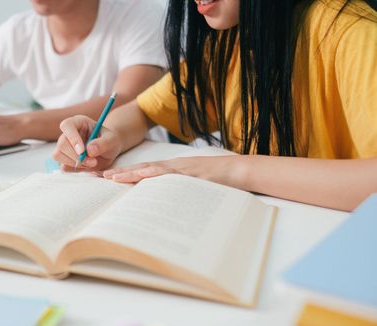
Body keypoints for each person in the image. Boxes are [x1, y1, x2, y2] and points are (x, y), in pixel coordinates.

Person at [53, 0, 377, 212]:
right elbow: (143, 111)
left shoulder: (355, 34)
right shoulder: (232, 42)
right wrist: (109, 135)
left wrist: (235, 169)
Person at [0, 0, 166, 156]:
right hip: (62, 157)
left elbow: (128, 101)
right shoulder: (20, 30)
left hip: (138, 153)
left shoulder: (140, 14)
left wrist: (18, 125)